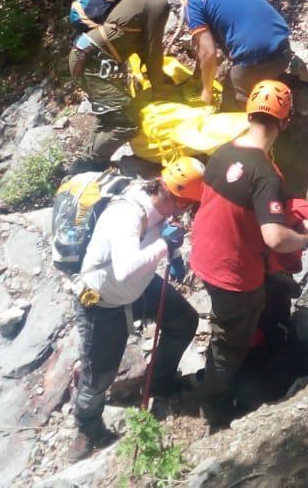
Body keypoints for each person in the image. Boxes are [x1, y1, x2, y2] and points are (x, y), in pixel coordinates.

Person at [190, 80, 308, 431]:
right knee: (228, 343)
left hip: (204, 253)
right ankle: (215, 409)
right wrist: (303, 238)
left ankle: (252, 341)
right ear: (284, 123)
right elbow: (274, 237)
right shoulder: (265, 173)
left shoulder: (222, 152)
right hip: (234, 274)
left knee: (256, 304)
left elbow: (228, 208)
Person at [67, 158, 207, 461]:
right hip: (103, 302)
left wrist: (173, 254)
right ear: (178, 199)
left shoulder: (159, 204)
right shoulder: (126, 216)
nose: (188, 213)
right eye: (188, 206)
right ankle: (87, 429)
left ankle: (159, 382)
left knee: (184, 320)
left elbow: (155, 239)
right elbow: (126, 268)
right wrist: (164, 248)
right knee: (98, 376)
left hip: (139, 288)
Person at [67, 0, 197, 172]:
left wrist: (159, 77)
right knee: (125, 123)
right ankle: (84, 169)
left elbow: (140, 45)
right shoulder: (157, 1)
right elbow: (153, 50)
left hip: (89, 55)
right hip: (96, 61)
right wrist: (159, 89)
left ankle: (90, 163)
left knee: (111, 116)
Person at [159, 0, 292, 107]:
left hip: (256, 60)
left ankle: (252, 121)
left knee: (230, 97)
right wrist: (197, 75)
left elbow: (208, 52)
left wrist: (207, 90)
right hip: (284, 49)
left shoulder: (193, 1)